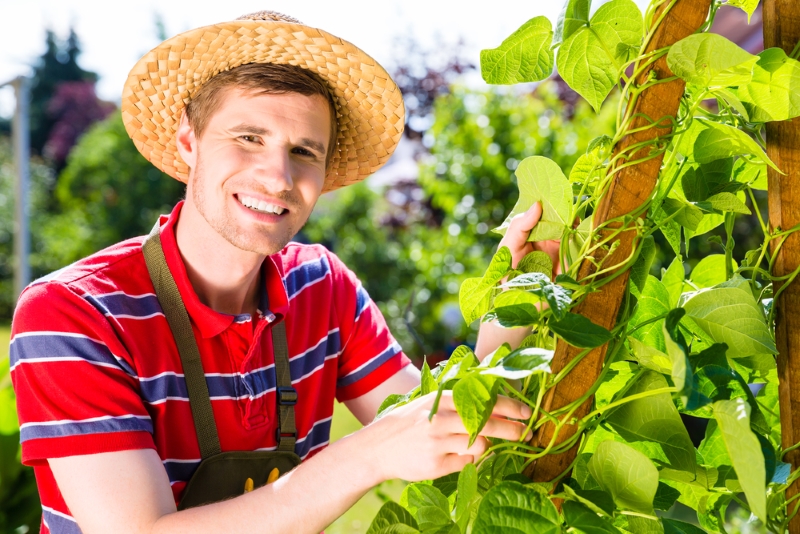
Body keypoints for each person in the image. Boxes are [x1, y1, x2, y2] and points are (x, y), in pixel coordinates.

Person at [10, 11, 554, 534]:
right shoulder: (73, 314)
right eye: (248, 138)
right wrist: (367, 456)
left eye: (303, 151)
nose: (277, 176)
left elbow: (437, 429)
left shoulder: (322, 287)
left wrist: (515, 295)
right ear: (187, 142)